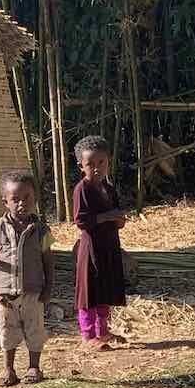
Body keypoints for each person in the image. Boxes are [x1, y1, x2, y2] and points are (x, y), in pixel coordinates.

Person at [0, 171, 53, 386]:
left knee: (35, 329)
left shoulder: (41, 230)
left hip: (33, 291)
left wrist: (48, 287)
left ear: (35, 199)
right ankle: (9, 369)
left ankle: (34, 367)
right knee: (7, 330)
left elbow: (48, 260)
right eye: (15, 199)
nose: (22, 203)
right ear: (5, 201)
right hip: (5, 293)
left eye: (27, 198)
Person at [72, 135, 128, 349]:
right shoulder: (82, 189)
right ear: (81, 166)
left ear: (108, 162)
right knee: (90, 291)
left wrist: (119, 219)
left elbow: (117, 218)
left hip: (109, 245)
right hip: (91, 247)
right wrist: (108, 216)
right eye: (90, 164)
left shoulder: (109, 189)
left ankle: (103, 331)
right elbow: (81, 220)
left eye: (101, 163)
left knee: (105, 288)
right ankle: (88, 335)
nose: (96, 168)